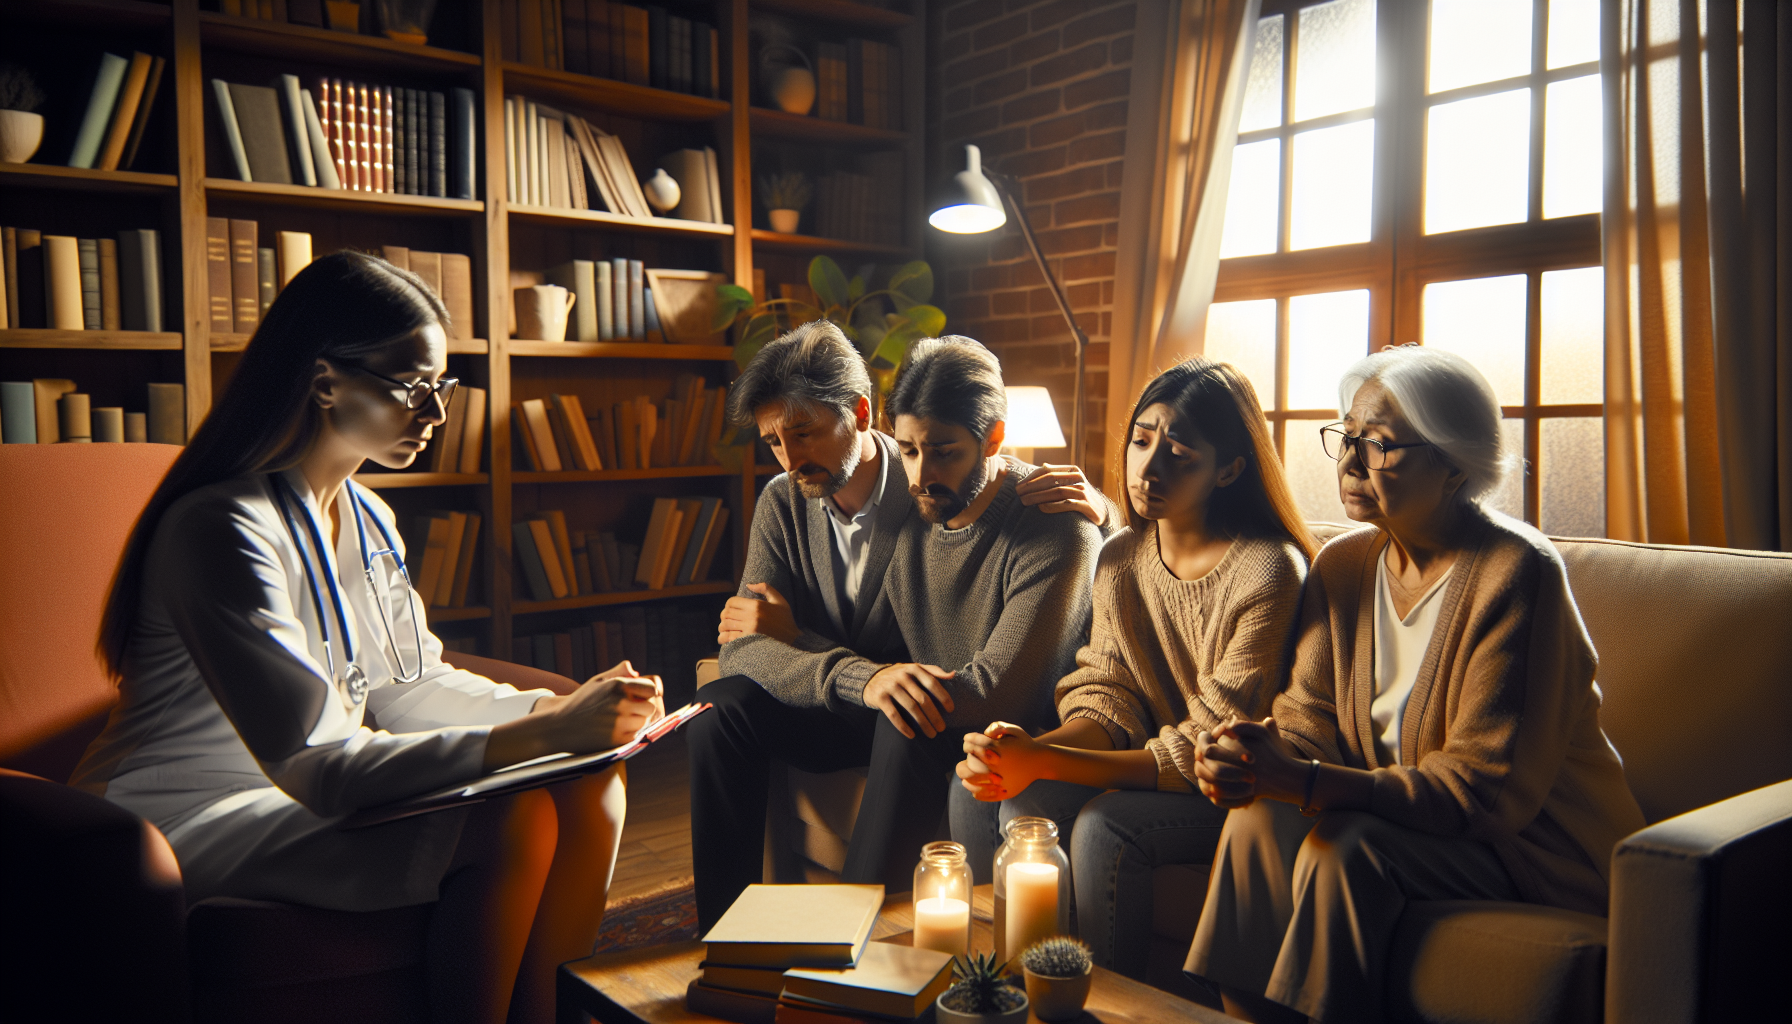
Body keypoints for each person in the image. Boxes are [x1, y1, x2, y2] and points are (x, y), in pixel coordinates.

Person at [73, 252, 664, 1024]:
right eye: (413, 388)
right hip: (187, 811)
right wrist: (547, 727)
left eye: (441, 387)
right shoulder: (221, 527)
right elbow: (316, 762)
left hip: (297, 791)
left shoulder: (368, 516)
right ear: (325, 383)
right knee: (510, 817)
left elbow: (407, 686)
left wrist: (561, 714)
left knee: (592, 782)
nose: (437, 414)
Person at [1185, 346, 1645, 1024]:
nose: (1348, 463)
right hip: (1398, 817)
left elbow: (1479, 793)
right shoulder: (1343, 564)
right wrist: (1251, 754)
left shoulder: (1517, 574)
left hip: (1522, 848)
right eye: (1346, 437)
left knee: (1345, 848)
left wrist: (1306, 782)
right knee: (1254, 820)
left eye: (1380, 446)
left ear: (1454, 464)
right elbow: (1309, 717)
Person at [690, 327, 1111, 929]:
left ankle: (845, 937)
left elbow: (1006, 506)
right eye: (773, 442)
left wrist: (1107, 513)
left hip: (911, 709)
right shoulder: (785, 500)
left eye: (803, 433)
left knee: (909, 709)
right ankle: (720, 937)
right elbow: (744, 647)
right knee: (719, 705)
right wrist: (857, 676)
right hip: (843, 694)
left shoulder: (922, 498)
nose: (787, 457)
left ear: (861, 415)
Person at [949, 358, 1314, 978]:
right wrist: (1031, 747)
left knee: (1104, 827)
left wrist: (1049, 760)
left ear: (1229, 468)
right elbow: (1107, 694)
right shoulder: (1120, 556)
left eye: (1179, 452)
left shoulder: (1268, 569)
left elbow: (1208, 742)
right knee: (978, 786)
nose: (1148, 468)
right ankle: (997, 986)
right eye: (1141, 440)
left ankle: (1105, 1007)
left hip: (1230, 787)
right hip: (1146, 761)